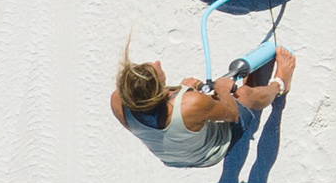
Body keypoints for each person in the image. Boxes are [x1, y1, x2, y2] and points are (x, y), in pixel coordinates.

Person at [111, 44, 292, 168]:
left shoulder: (118, 102)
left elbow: (151, 122)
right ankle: (280, 85)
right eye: (157, 72)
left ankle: (249, 81)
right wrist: (221, 89)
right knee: (242, 95)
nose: (157, 63)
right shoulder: (191, 104)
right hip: (211, 153)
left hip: (174, 159)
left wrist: (182, 94)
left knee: (202, 109)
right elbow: (232, 114)